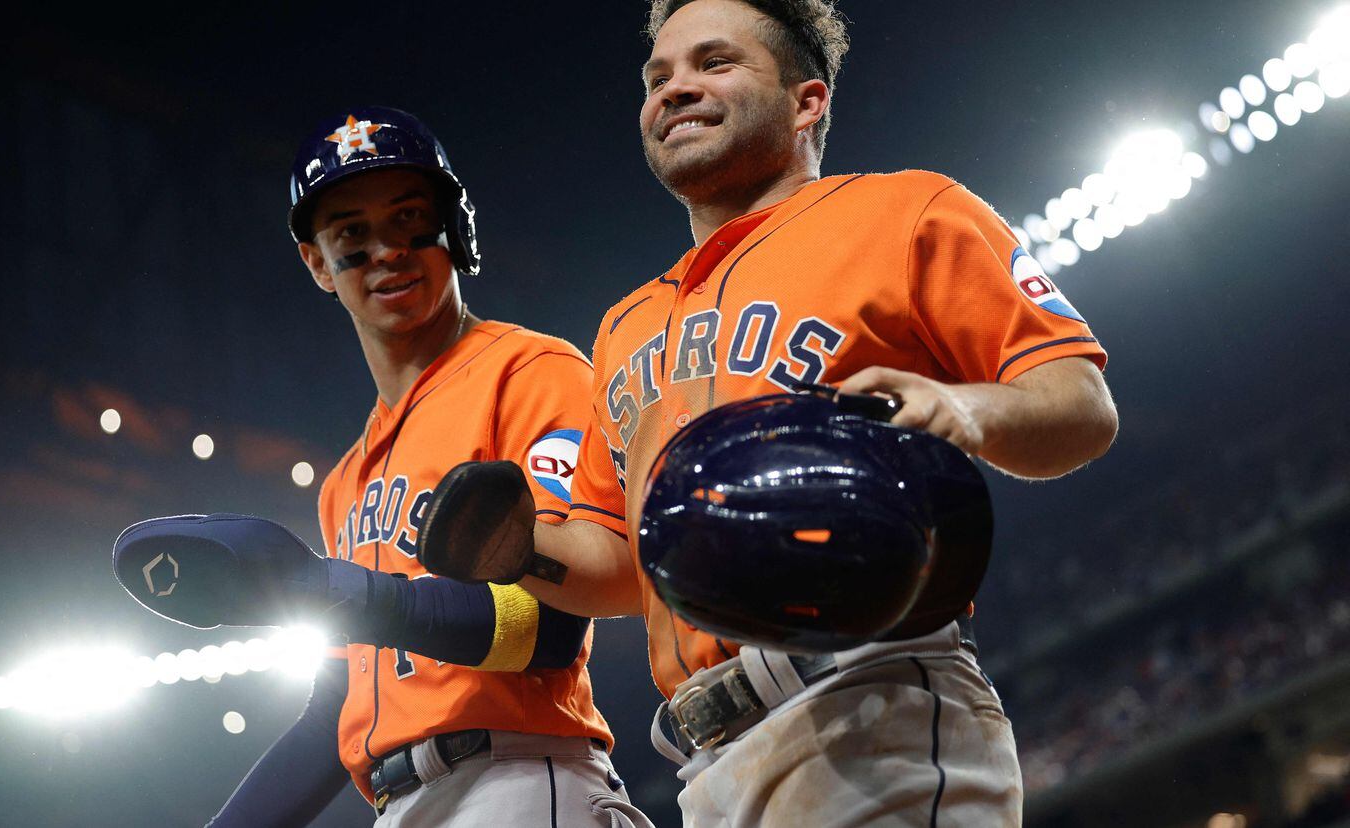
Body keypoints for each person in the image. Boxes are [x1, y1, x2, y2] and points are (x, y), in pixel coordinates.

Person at [425, 2, 1119, 825]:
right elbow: (626, 569)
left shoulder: (907, 211)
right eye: (658, 77)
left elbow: (1080, 406)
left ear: (807, 101)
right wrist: (520, 549)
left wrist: (958, 407)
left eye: (715, 64)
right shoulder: (623, 326)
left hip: (865, 700)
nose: (675, 89)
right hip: (705, 761)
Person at [126, 107, 651, 828]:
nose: (387, 251)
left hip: (521, 776)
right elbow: (332, 712)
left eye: (409, 218)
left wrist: (321, 584)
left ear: (455, 228)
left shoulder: (529, 371)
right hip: (403, 801)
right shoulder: (346, 481)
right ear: (316, 262)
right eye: (351, 234)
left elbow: (549, 628)